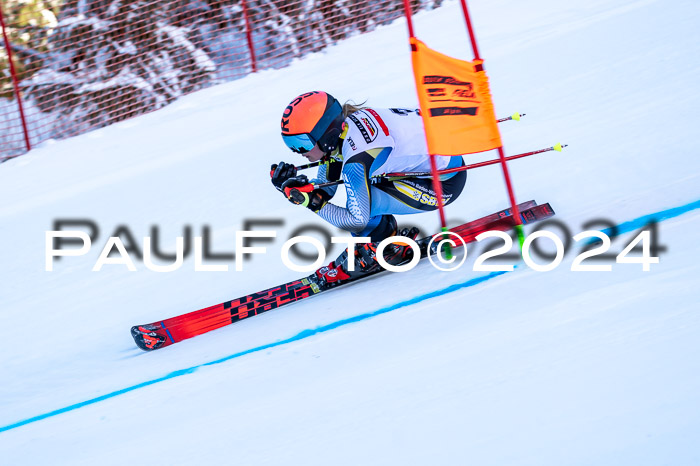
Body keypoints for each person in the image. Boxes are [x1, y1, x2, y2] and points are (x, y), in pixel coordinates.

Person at [272, 91, 467, 285]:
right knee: (364, 191)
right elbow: (326, 189)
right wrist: (296, 188)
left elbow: (356, 220)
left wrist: (309, 202)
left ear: (325, 136)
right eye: (292, 144)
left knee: (362, 202)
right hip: (444, 159)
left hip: (444, 183)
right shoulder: (347, 127)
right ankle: (383, 243)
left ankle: (383, 251)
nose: (299, 152)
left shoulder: (356, 161)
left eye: (302, 143)